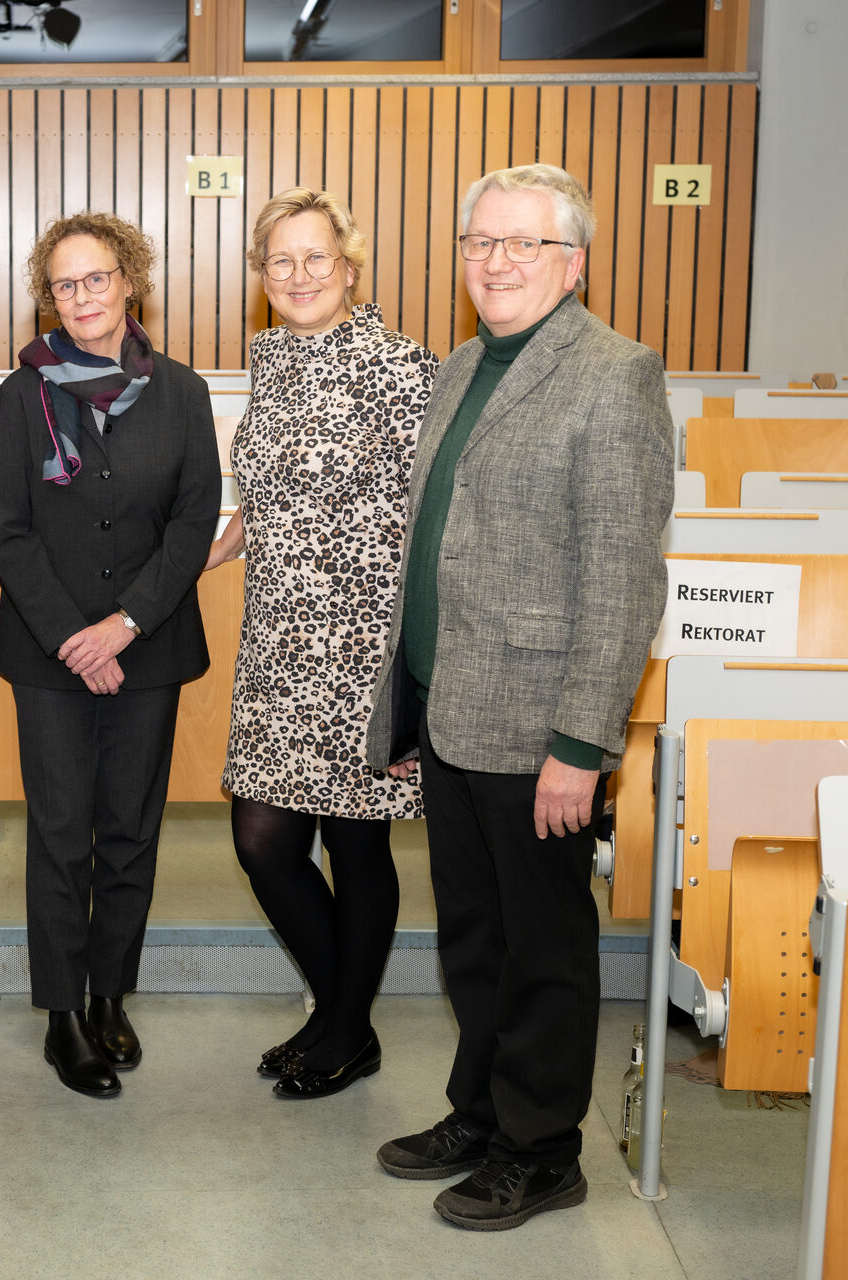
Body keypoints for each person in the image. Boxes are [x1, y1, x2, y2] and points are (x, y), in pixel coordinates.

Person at [364, 164, 672, 1230]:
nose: (494, 262)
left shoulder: (615, 375)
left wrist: (581, 745)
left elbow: (624, 579)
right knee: (475, 941)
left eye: (521, 244)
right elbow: (439, 543)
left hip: (541, 723)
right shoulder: (462, 365)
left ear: (571, 262)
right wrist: (413, 702)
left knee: (543, 949)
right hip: (453, 706)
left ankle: (541, 1151)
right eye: (478, 242)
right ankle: (482, 1112)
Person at [205, 188, 435, 1100]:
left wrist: (419, 671)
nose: (298, 275)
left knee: (355, 845)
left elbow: (431, 523)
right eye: (280, 261)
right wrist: (200, 552)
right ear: (261, 276)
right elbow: (271, 500)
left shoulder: (402, 369)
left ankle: (342, 1027)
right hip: (278, 643)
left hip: (364, 651)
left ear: (350, 265)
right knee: (262, 840)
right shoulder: (270, 361)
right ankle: (342, 1015)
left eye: (315, 257)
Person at [0, 212, 221, 1098]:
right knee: (59, 835)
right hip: (49, 654)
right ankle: (62, 1015)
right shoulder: (21, 397)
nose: (82, 296)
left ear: (130, 282)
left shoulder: (182, 392)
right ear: (47, 297)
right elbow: (10, 532)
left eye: (97, 278)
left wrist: (125, 625)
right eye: (64, 284)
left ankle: (110, 994)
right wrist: (74, 639)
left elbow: (193, 521)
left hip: (149, 648)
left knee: (129, 831)